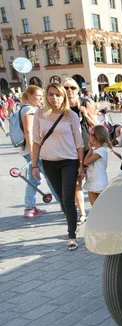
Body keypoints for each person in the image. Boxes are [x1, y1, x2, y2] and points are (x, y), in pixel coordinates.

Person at [31, 83, 84, 251]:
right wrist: (34, 165)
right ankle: (72, 224)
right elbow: (36, 141)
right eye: (51, 94)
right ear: (46, 96)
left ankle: (71, 234)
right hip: (49, 162)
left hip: (69, 161)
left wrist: (81, 165)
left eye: (58, 95)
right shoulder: (39, 114)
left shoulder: (71, 115)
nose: (54, 98)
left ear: (64, 97)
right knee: (62, 198)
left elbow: (79, 143)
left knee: (68, 198)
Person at [18, 85, 59, 218]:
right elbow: (28, 131)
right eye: (38, 95)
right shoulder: (29, 109)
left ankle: (29, 208)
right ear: (29, 95)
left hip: (29, 151)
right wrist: (33, 153)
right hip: (34, 151)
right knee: (50, 176)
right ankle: (64, 204)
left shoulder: (24, 108)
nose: (40, 98)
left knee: (34, 179)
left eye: (42, 96)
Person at [63, 78, 96, 226]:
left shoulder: (85, 103)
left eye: (72, 88)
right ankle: (82, 213)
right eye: (66, 87)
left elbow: (97, 125)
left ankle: (96, 210)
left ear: (77, 90)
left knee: (94, 179)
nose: (69, 90)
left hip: (88, 147)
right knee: (77, 181)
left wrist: (86, 115)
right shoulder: (61, 105)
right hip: (70, 148)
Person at [83, 125, 117, 206]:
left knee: (101, 207)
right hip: (92, 181)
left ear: (93, 138)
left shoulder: (101, 151)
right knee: (94, 207)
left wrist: (90, 149)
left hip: (99, 182)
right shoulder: (96, 151)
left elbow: (86, 162)